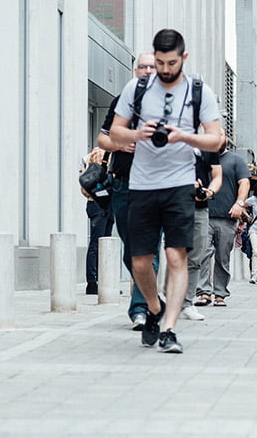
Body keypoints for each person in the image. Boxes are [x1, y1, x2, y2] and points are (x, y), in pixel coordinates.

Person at [110, 29, 223, 353]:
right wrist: (137, 133)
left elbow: (216, 139)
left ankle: (169, 329)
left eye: (171, 62)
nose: (164, 69)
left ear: (183, 58)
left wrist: (184, 137)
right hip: (142, 184)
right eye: (159, 62)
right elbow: (115, 132)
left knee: (176, 257)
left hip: (179, 184)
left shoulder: (199, 91)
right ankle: (154, 309)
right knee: (140, 262)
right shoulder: (138, 87)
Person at [97, 52, 160, 329]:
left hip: (156, 185)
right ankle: (148, 294)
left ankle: (140, 309)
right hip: (123, 183)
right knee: (131, 250)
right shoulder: (121, 102)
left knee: (149, 249)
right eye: (142, 66)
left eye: (152, 67)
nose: (146, 71)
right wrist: (119, 144)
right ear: (135, 71)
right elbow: (102, 138)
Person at [196, 141, 251, 307]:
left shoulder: (235, 160)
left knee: (223, 256)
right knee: (203, 253)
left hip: (227, 216)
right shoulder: (202, 158)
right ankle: (204, 292)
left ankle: (220, 293)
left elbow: (245, 183)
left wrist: (239, 203)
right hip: (204, 213)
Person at [179, 148, 221, 321]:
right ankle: (168, 301)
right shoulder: (171, 138)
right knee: (174, 255)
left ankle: (187, 304)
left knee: (196, 257)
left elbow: (217, 175)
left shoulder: (207, 145)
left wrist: (208, 192)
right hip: (173, 205)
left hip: (199, 208)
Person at [80, 147, 115, 295]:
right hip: (99, 203)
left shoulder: (106, 153)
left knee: (104, 244)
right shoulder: (101, 153)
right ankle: (92, 282)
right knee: (97, 243)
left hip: (104, 203)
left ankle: (102, 282)